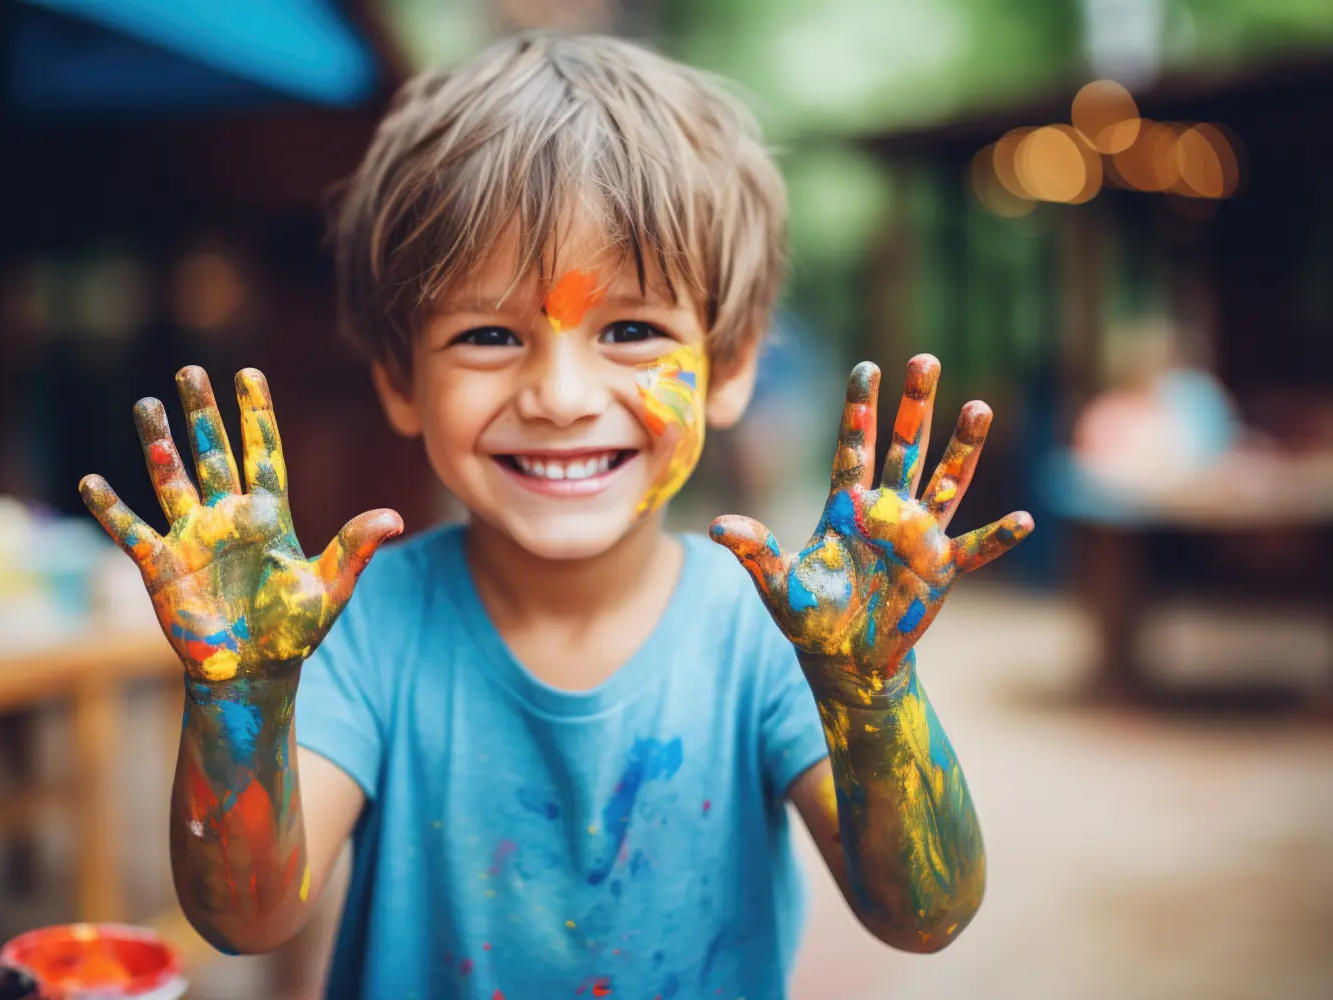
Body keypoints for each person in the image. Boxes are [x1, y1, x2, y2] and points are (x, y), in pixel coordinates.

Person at [78, 33, 1033, 1000]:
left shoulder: (773, 639)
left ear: (733, 362)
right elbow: (246, 919)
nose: (562, 394)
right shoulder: (363, 630)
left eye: (631, 330)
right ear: (400, 380)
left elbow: (925, 916)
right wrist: (241, 698)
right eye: (489, 335)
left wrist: (872, 693)